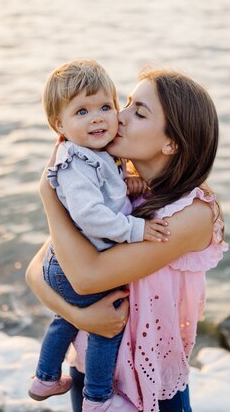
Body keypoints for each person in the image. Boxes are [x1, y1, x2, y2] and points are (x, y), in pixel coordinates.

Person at [26, 68, 227, 412]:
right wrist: (80, 317)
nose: (119, 115)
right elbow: (36, 271)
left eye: (139, 112)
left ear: (171, 142)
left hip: (150, 382)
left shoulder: (191, 215)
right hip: (92, 374)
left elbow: (86, 277)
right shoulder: (114, 191)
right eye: (128, 103)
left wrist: (49, 195)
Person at [28, 60, 170, 410]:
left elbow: (107, 187)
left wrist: (128, 183)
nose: (98, 118)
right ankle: (97, 398)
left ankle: (45, 377)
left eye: (106, 107)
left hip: (63, 261)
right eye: (82, 111)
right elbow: (91, 215)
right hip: (71, 266)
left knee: (67, 320)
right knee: (108, 328)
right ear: (59, 125)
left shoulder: (96, 153)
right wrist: (137, 228)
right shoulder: (76, 161)